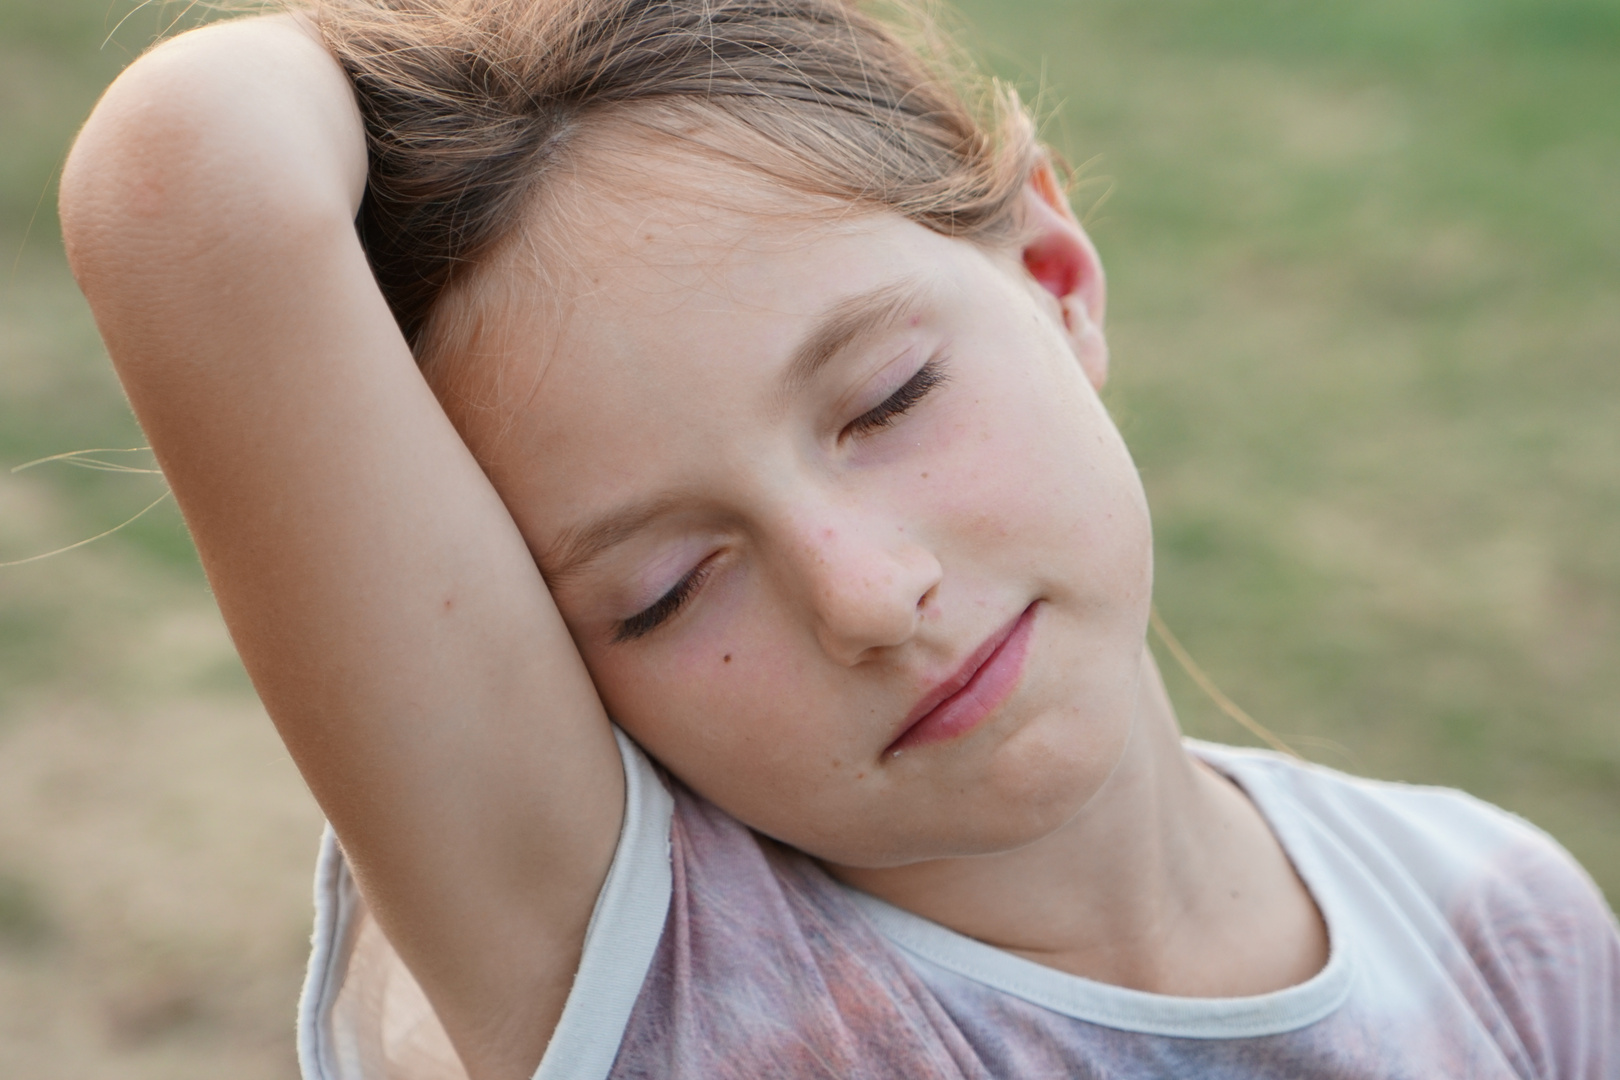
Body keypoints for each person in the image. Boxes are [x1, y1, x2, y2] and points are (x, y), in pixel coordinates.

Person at [56, 0, 1619, 1077]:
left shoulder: (1502, 915)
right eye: (661, 593)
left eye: (888, 399)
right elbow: (186, 175)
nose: (869, 598)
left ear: (1055, 277)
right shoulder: (655, 987)